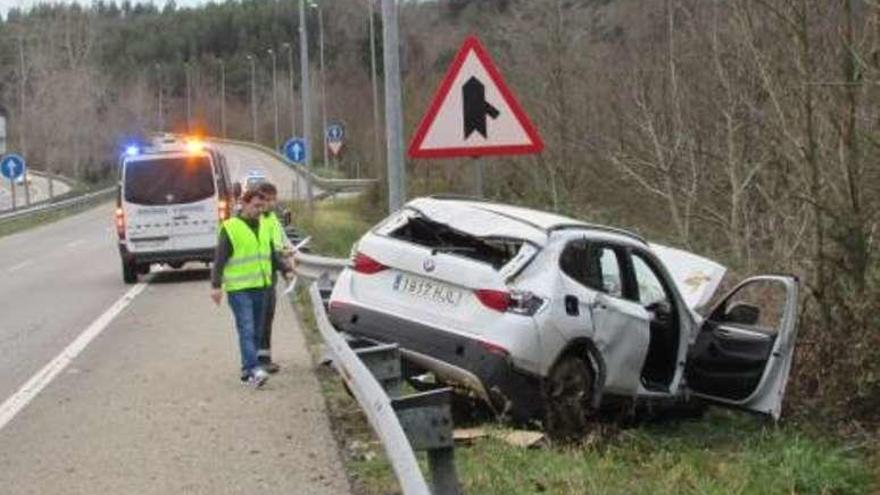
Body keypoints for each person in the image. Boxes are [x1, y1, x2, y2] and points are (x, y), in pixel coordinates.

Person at [210, 189, 291, 387]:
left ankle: (250, 371)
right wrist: (216, 286)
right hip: (239, 289)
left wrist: (285, 268)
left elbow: (271, 255)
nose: (259, 210)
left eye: (262, 207)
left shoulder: (264, 225)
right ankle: (251, 370)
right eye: (255, 206)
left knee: (256, 330)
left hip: (261, 286)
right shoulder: (231, 228)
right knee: (246, 328)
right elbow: (219, 259)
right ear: (244, 204)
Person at [254, 182, 295, 373]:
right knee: (260, 318)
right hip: (259, 274)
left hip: (270, 272)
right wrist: (285, 267)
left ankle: (264, 357)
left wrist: (285, 252)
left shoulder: (272, 219)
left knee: (267, 317)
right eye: (267, 199)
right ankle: (257, 361)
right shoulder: (257, 220)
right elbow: (267, 249)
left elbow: (276, 244)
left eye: (272, 199)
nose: (270, 203)